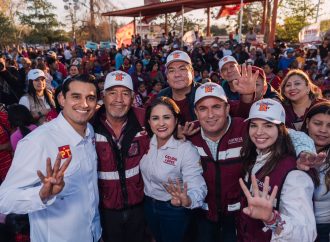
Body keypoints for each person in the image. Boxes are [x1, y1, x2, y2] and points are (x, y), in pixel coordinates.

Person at [0, 74, 102, 242]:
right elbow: (4, 198)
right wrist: (40, 195)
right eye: (76, 96)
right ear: (62, 99)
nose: (84, 104)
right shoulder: (38, 141)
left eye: (90, 98)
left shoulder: (89, 131)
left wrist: (96, 231)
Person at [238, 99, 316, 241]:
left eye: (268, 125)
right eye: (254, 125)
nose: (259, 132)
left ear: (280, 129)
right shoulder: (255, 154)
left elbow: (306, 234)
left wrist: (272, 219)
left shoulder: (295, 174)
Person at [92, 70, 149, 242]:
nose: (118, 99)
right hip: (105, 211)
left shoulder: (145, 119)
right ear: (103, 96)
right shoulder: (89, 124)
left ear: (132, 97)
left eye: (125, 94)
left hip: (140, 208)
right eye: (112, 93)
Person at [141, 97, 207, 242]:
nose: (161, 123)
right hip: (147, 206)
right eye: (155, 118)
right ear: (149, 122)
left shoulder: (185, 149)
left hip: (174, 210)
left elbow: (197, 185)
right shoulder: (144, 142)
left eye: (167, 117)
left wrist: (188, 200)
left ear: (176, 120)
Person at [301, 102, 330, 242]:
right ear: (307, 123)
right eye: (317, 123)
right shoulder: (289, 148)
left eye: (329, 126)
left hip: (325, 230)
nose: (323, 130)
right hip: (294, 227)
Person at [158, 50, 201, 122]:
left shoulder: (203, 93)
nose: (177, 75)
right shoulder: (161, 96)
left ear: (192, 73)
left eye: (182, 69)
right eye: (171, 71)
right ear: (167, 77)